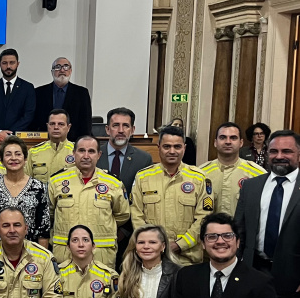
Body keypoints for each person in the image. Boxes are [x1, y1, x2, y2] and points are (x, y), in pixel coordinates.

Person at [234, 130, 300, 298]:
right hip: (254, 272)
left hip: (294, 277)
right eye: (274, 151)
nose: (279, 156)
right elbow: (238, 231)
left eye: (287, 151)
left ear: (299, 155)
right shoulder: (252, 186)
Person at [131, 126, 212, 265]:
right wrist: (151, 244)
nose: (172, 151)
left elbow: (203, 219)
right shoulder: (143, 177)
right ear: (159, 147)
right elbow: (136, 215)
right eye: (167, 146)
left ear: (184, 148)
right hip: (152, 256)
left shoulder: (199, 178)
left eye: (177, 146)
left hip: (187, 258)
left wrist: (180, 244)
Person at [47, 136, 130, 264]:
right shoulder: (56, 181)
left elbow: (122, 215)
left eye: (91, 151)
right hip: (65, 254)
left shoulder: (113, 183)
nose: (86, 156)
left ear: (99, 155)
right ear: (74, 153)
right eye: (81, 151)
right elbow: (50, 214)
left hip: (101, 255)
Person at [0, 136, 50, 250]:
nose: (13, 158)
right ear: (1, 160)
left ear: (25, 159)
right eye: (8, 154)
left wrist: (42, 259)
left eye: (18, 154)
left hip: (29, 254)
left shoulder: (39, 187)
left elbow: (43, 229)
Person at [200, 122, 265, 216]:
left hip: (242, 230)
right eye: (222, 137)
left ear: (241, 143)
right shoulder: (201, 173)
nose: (228, 142)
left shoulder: (258, 174)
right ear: (215, 142)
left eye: (233, 138)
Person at [33, 58, 92, 142]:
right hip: (44, 141)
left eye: (66, 67)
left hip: (72, 142)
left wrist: (83, 143)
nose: (62, 70)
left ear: (70, 71)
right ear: (52, 72)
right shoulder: (39, 92)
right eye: (58, 67)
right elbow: (34, 121)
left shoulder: (81, 93)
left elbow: (86, 122)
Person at [96, 107, 153, 194]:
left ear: (132, 130)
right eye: (116, 125)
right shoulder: (93, 155)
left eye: (126, 126)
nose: (121, 130)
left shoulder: (143, 159)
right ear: (107, 129)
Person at [0, 49, 35, 140]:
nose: (8, 66)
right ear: (0, 64)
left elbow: (28, 114)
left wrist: (10, 134)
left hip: (19, 137)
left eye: (12, 63)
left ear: (18, 64)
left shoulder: (28, 88)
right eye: (4, 63)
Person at [25, 110, 75, 184]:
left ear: (68, 127)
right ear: (47, 126)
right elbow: (25, 181)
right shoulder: (34, 151)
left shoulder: (77, 151)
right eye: (52, 124)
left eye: (61, 124)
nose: (56, 127)